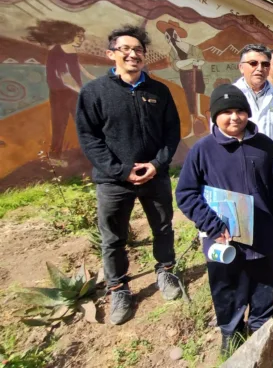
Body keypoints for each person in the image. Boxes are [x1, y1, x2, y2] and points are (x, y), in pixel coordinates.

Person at [75, 25, 181, 325]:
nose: (133, 54)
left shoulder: (159, 92)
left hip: (155, 176)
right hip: (114, 181)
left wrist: (157, 164)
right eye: (125, 49)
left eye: (138, 50)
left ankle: (166, 271)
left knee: (163, 228)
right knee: (113, 238)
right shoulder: (94, 92)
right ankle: (118, 287)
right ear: (112, 54)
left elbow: (172, 132)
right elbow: (89, 138)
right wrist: (121, 170)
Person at [175, 84, 273, 356]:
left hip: (262, 234)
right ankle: (232, 333)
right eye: (226, 112)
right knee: (227, 288)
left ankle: (262, 330)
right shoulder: (203, 150)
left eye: (240, 111)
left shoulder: (265, 146)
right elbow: (186, 193)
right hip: (223, 240)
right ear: (214, 115)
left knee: (265, 285)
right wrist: (212, 224)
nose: (234, 117)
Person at [26, 19, 96, 159]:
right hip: (60, 94)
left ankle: (92, 151)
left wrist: (92, 77)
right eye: (79, 36)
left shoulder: (71, 49)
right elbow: (65, 77)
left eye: (82, 37)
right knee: (59, 125)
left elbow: (77, 65)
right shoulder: (56, 52)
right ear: (69, 35)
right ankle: (54, 156)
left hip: (73, 92)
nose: (82, 40)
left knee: (83, 122)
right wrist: (83, 92)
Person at [234, 44, 273, 161]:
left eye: (265, 64)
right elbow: (221, 134)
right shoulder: (230, 96)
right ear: (241, 67)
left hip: (271, 165)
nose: (260, 68)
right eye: (253, 63)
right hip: (238, 164)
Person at [157, 19, 207, 139]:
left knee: (198, 93)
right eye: (167, 37)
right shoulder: (173, 52)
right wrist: (191, 60)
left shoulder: (192, 48)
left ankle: (200, 116)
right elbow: (177, 65)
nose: (170, 39)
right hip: (185, 75)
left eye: (172, 35)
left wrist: (193, 62)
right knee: (189, 97)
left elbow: (201, 61)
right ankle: (193, 125)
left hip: (196, 74)